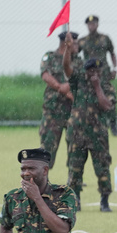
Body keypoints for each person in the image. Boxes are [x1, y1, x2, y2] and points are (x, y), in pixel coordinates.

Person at [64, 51, 115, 212]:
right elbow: (66, 67)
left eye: (98, 71)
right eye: (92, 71)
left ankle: (104, 200)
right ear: (86, 71)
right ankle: (76, 199)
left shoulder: (106, 86)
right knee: (75, 169)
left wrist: (97, 86)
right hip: (77, 133)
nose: (95, 74)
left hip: (97, 135)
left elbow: (107, 106)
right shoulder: (78, 81)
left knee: (102, 168)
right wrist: (68, 48)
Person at [39, 31, 81, 167]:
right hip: (53, 109)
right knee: (48, 144)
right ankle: (42, 179)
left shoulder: (78, 61)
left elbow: (80, 79)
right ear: (65, 43)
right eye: (74, 43)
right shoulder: (50, 57)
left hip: (72, 109)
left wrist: (68, 90)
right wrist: (59, 87)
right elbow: (45, 75)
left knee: (76, 144)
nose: (77, 45)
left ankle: (74, 178)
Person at [77, 14, 117, 136]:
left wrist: (115, 68)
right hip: (88, 76)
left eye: (94, 23)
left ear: (97, 24)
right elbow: (74, 53)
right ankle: (87, 124)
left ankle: (113, 125)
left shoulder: (105, 38)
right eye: (90, 24)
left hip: (104, 74)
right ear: (87, 26)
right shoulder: (82, 41)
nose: (92, 26)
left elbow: (112, 53)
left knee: (109, 98)